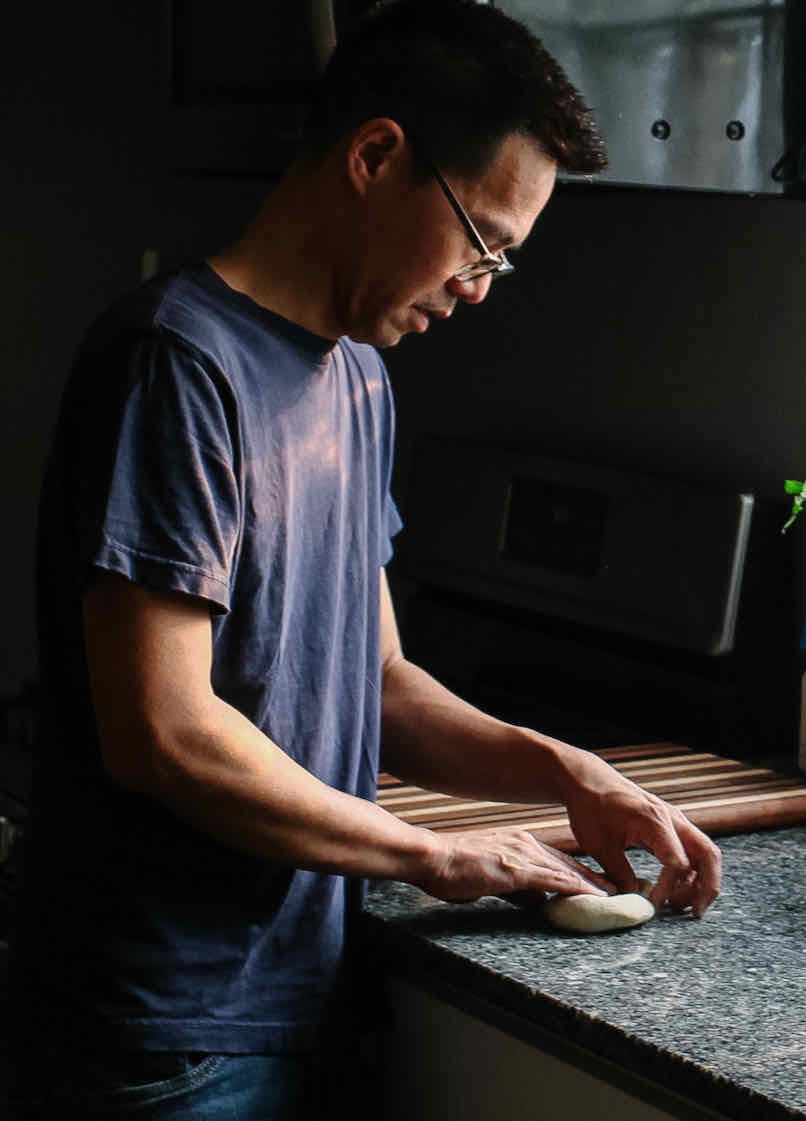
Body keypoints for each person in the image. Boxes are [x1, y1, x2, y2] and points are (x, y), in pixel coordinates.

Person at [14, 2, 722, 1116]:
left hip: (302, 984)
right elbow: (163, 728)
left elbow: (377, 683)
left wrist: (567, 772)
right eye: (480, 237)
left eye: (504, 258)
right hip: (162, 1031)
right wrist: (431, 854)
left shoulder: (356, 376)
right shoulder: (177, 363)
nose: (481, 283)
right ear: (376, 155)